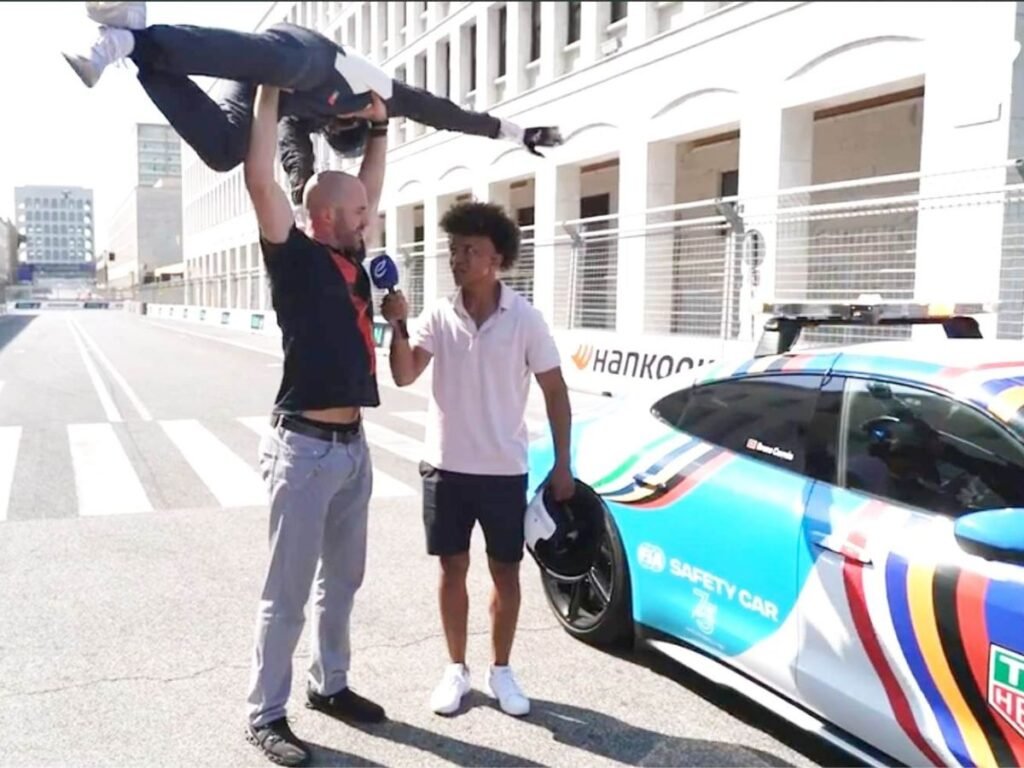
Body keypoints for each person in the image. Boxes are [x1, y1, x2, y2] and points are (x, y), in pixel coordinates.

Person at [63, 1, 564, 204]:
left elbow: (291, 149)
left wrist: (302, 189)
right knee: (286, 70)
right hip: (305, 52)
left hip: (261, 84)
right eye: (342, 123)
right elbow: (444, 112)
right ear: (358, 121)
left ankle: (130, 43)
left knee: (225, 152)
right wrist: (514, 131)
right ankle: (132, 40)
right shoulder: (381, 94)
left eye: (332, 127)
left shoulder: (309, 121)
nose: (333, 121)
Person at [382, 200, 575, 718]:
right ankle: (455, 669)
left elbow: (556, 391)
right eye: (454, 249)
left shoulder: (525, 319)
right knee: (452, 569)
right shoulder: (438, 314)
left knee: (506, 573)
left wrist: (563, 464)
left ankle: (501, 670)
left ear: (497, 259)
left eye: (470, 249)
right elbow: (404, 374)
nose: (458, 258)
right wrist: (397, 326)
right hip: (445, 467)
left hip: (504, 472)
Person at [242, 79, 387, 767]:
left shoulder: (352, 256)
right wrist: (269, 91)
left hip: (352, 448)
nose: (369, 215)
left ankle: (329, 685)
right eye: (358, 211)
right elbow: (259, 180)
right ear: (326, 216)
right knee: (288, 595)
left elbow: (367, 185)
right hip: (303, 449)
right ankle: (265, 713)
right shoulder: (294, 257)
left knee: (342, 584)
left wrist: (380, 128)